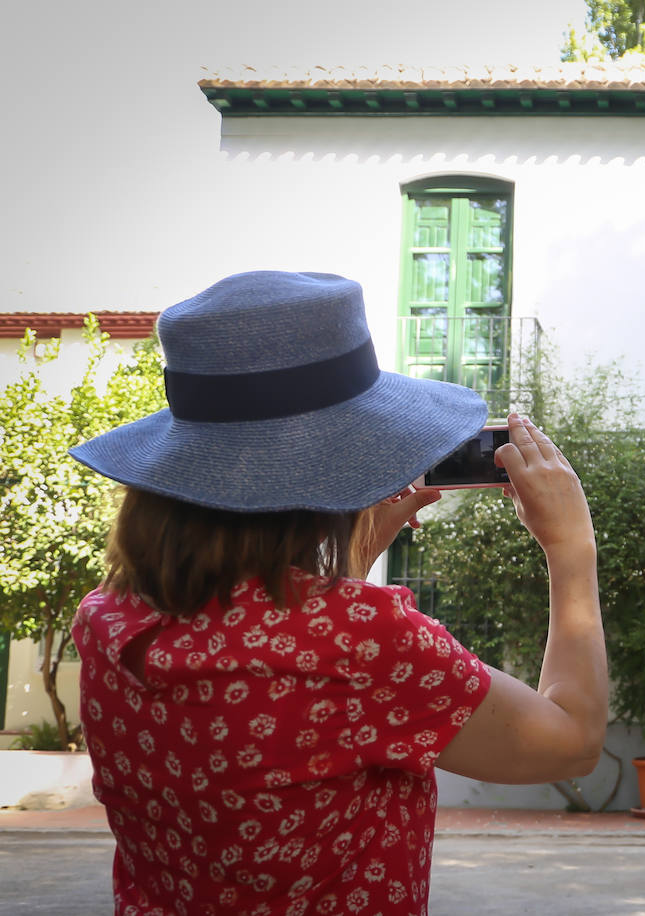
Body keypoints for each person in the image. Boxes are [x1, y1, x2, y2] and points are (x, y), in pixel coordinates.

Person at [67, 270, 607, 916]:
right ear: (341, 460)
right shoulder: (358, 640)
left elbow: (287, 709)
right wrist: (571, 548)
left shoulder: (105, 622)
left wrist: (345, 565)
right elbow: (572, 740)